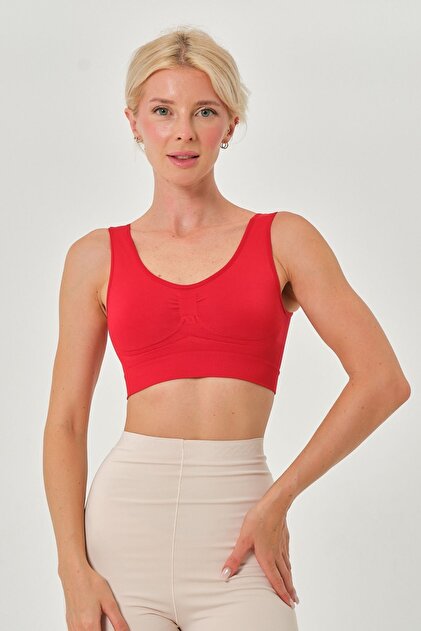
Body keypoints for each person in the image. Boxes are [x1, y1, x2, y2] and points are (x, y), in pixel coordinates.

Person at [43, 26, 411, 631]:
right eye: (163, 110)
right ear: (133, 121)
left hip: (241, 530)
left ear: (231, 124)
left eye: (205, 111)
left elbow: (383, 381)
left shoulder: (284, 239)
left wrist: (278, 500)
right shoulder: (94, 257)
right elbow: (66, 421)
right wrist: (70, 569)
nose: (183, 132)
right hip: (123, 531)